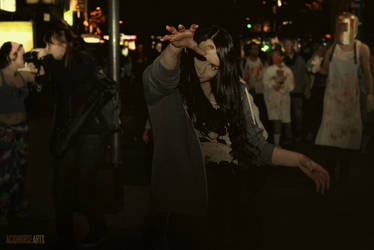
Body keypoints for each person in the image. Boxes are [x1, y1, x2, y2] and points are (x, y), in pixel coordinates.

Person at [143, 24, 330, 250]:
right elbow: (157, 79)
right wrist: (174, 48)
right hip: (182, 207)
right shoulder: (170, 91)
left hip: (227, 203)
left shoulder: (235, 93)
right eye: (200, 57)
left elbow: (254, 146)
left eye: (213, 63)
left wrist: (300, 160)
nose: (203, 68)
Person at [32, 26, 110, 249]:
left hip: (89, 132)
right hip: (67, 131)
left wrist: (46, 60)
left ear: (65, 43)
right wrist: (40, 75)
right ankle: (65, 235)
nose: (47, 48)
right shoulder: (56, 64)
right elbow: (47, 101)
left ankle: (98, 227)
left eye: (51, 44)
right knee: (60, 186)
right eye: (46, 44)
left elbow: (72, 84)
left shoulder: (81, 60)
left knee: (84, 183)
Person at [316, 12, 374, 183]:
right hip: (332, 101)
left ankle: (343, 175)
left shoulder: (361, 49)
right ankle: (330, 173)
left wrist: (370, 97)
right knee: (329, 139)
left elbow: (368, 74)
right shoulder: (332, 48)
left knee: (348, 140)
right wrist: (316, 64)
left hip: (350, 101)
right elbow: (325, 70)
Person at [0, 41, 37, 226]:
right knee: (4, 172)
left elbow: (42, 75)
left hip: (22, 128)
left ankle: (18, 207)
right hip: (4, 130)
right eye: (20, 53)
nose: (23, 54)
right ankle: (3, 211)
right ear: (10, 57)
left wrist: (36, 63)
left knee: (20, 170)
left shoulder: (23, 75)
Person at [263, 49, 295, 146]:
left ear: (282, 57)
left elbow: (291, 86)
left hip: (285, 100)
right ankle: (277, 145)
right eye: (273, 56)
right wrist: (273, 85)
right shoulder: (269, 70)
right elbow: (265, 84)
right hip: (273, 100)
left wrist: (282, 87)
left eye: (277, 56)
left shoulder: (287, 70)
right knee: (276, 122)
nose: (275, 58)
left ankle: (289, 145)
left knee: (287, 122)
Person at [283, 39, 310, 142]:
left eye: (289, 44)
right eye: (286, 45)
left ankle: (299, 134)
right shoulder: (283, 60)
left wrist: (307, 88)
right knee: (287, 115)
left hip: (298, 90)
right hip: (286, 92)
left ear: (293, 46)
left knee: (298, 114)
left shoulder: (300, 59)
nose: (287, 47)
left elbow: (306, 74)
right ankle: (289, 136)